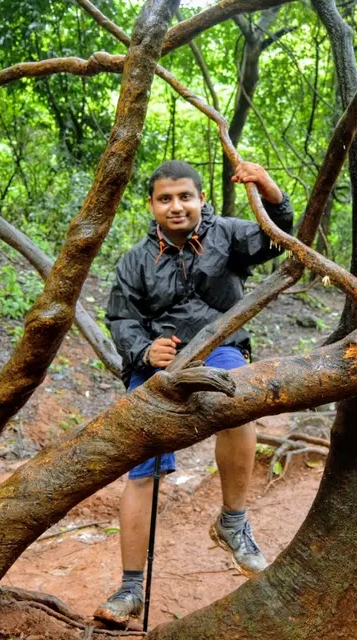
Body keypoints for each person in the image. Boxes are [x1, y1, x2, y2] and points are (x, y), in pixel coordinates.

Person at [93, 159, 294, 627]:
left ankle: (233, 522)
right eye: (165, 198)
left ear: (202, 199)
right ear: (152, 206)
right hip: (161, 368)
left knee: (239, 405)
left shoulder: (229, 235)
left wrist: (268, 186)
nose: (176, 206)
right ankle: (129, 588)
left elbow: (279, 234)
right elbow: (121, 320)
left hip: (221, 349)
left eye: (185, 196)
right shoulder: (134, 262)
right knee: (142, 472)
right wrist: (145, 351)